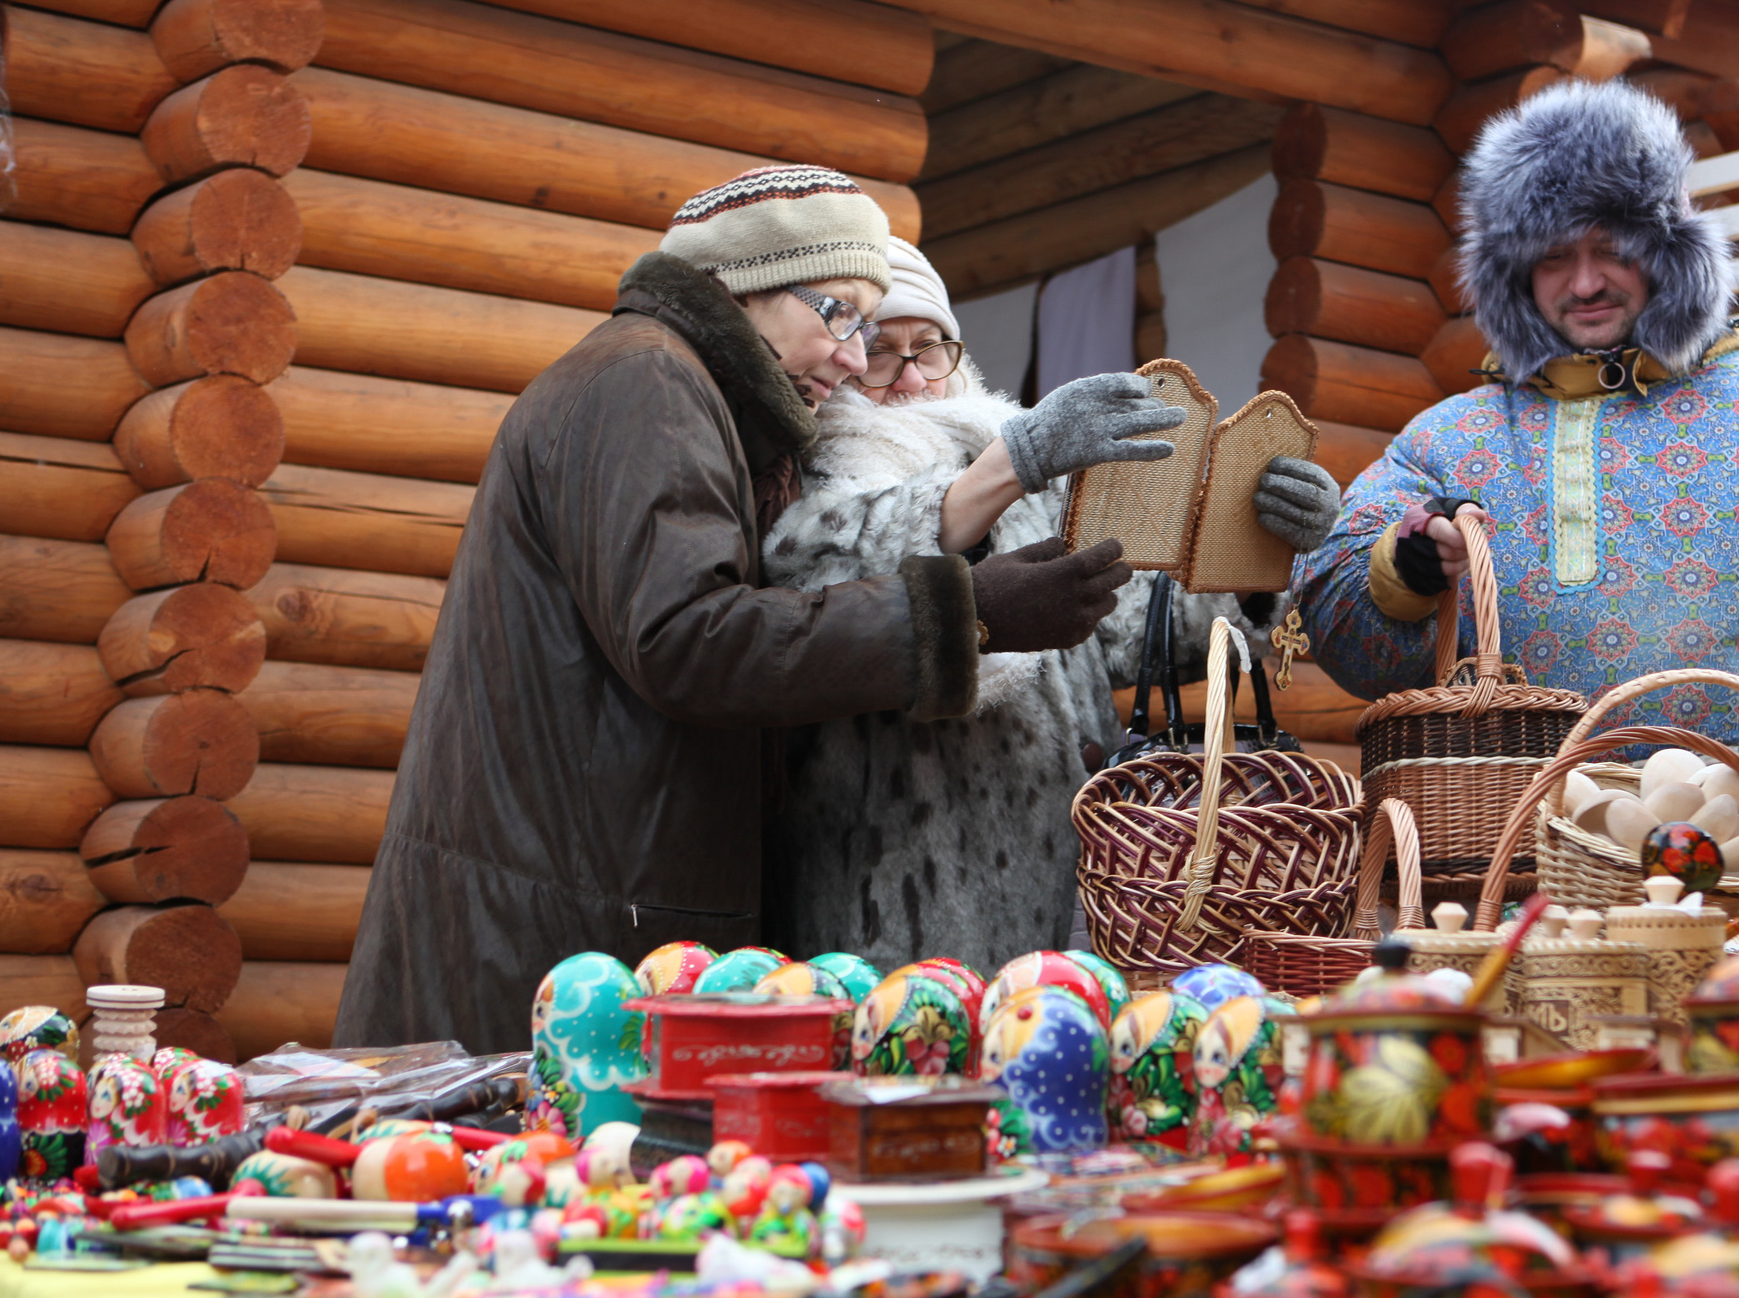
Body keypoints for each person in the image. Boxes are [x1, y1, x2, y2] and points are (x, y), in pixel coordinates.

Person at [338, 166, 1161, 1052]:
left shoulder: (696, 397)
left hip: (586, 908)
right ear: (750, 285)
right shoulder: (647, 384)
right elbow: (689, 640)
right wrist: (966, 614)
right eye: (841, 314)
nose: (855, 357)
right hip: (560, 927)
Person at [1293, 82, 1739, 928]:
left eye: (1610, 245)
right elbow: (1333, 608)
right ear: (1512, 274)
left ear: (1666, 248)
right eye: (1551, 256)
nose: (1584, 282)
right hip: (1531, 889)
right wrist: (1407, 571)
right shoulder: (1448, 441)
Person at [761, 237, 1344, 973]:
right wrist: (1016, 460)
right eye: (881, 352)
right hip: (898, 904)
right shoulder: (813, 479)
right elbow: (835, 576)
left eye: (931, 347)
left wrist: (1257, 558)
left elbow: (1137, 632)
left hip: (1071, 898)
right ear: (842, 363)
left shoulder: (1019, 480)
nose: (912, 378)